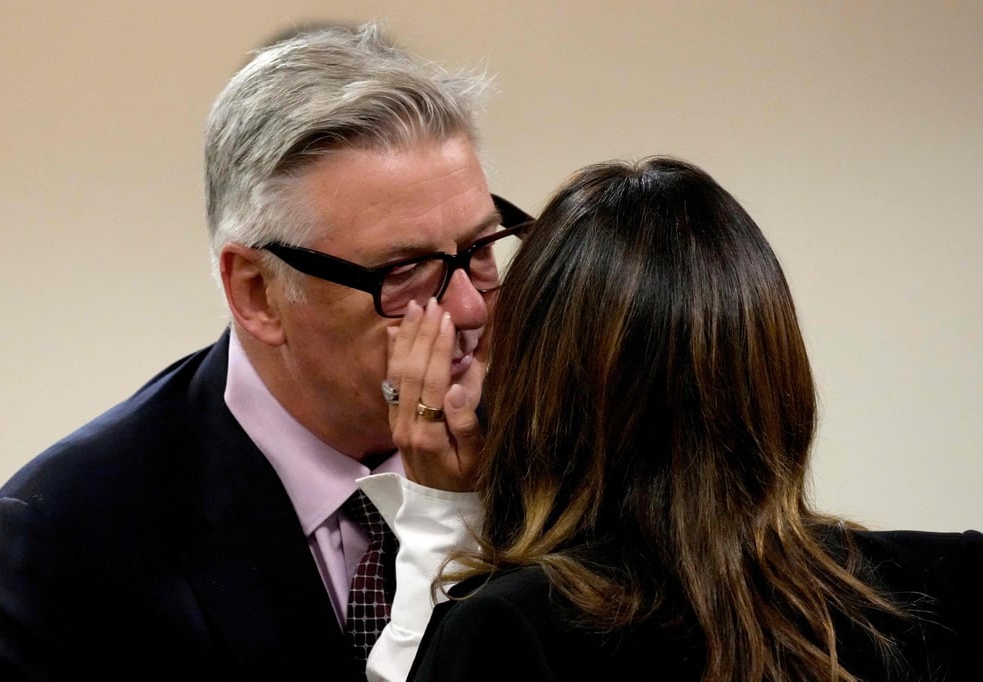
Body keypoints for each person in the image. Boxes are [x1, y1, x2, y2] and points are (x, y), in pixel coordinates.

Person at [0, 23, 531, 681]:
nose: (469, 309)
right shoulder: (69, 537)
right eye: (403, 271)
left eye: (480, 251)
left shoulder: (552, 458)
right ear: (257, 292)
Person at [372, 156, 982, 681]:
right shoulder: (955, 583)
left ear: (538, 389)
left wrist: (442, 521)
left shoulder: (508, 631)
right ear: (771, 366)